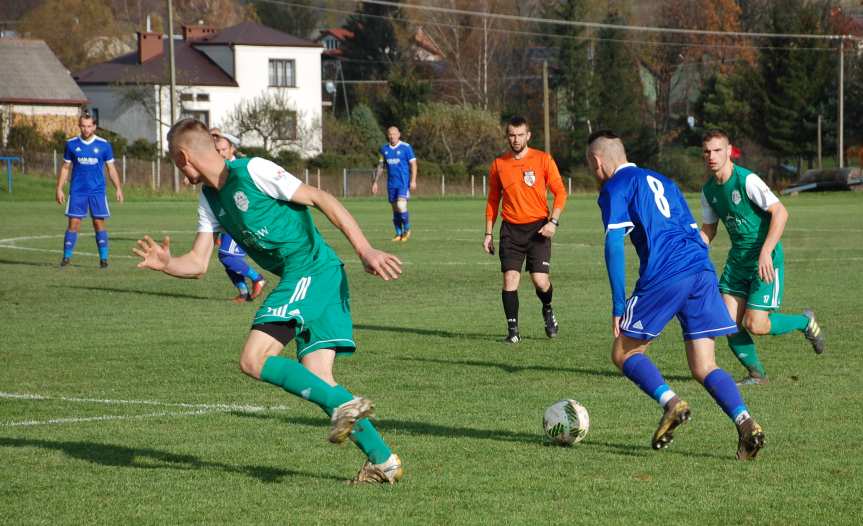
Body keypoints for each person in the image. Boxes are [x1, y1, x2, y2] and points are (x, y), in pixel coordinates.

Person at [133, 119, 404, 484]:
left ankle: (344, 406)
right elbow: (197, 263)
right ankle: (383, 460)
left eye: (173, 161)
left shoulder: (253, 170)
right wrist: (167, 264)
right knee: (318, 378)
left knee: (253, 358)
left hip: (311, 270)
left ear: (183, 156)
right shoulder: (209, 200)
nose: (176, 169)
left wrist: (365, 249)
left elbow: (320, 197)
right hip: (318, 276)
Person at [587, 130, 764, 460]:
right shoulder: (665, 181)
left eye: (590, 167)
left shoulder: (614, 186)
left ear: (598, 163)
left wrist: (617, 303)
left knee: (624, 353)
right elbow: (696, 231)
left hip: (666, 273)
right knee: (704, 365)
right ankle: (746, 423)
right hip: (700, 269)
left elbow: (613, 244)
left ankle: (671, 403)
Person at [700, 130, 825, 386]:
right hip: (738, 261)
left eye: (717, 150)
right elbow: (709, 230)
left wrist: (766, 251)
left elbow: (780, 212)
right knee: (728, 322)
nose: (712, 156)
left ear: (729, 151)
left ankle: (805, 321)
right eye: (707, 151)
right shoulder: (709, 190)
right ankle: (757, 375)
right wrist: (692, 253)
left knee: (756, 324)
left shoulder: (746, 180)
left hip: (764, 259)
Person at [482, 116, 566, 343]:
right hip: (510, 230)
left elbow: (560, 192)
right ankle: (513, 332)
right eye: (512, 135)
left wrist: (553, 222)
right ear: (507, 136)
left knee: (540, 281)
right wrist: (488, 233)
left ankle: (547, 308)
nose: (516, 139)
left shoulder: (543, 159)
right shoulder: (499, 164)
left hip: (539, 229)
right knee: (510, 279)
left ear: (528, 135)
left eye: (520, 135)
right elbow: (492, 200)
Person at [55, 111, 124, 268]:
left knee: (98, 223)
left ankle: (104, 259)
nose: (86, 129)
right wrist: (59, 188)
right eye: (83, 126)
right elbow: (65, 168)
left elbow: (111, 169)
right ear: (79, 126)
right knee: (73, 223)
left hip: (97, 191)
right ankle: (66, 258)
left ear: (94, 126)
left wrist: (118, 188)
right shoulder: (71, 144)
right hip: (78, 191)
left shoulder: (104, 145)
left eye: (89, 126)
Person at [209, 128, 267, 303]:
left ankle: (257, 278)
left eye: (223, 150)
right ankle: (243, 292)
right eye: (216, 150)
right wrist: (216, 229)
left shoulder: (240, 169)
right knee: (226, 257)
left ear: (232, 149)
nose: (219, 153)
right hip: (228, 221)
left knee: (227, 255)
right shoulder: (216, 169)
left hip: (244, 221)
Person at [372, 126, 417, 242]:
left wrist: (413, 180)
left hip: (403, 183)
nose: (392, 136)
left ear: (399, 134)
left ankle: (407, 229)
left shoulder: (406, 148)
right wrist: (375, 182)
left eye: (394, 134)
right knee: (395, 209)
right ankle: (398, 233)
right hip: (391, 184)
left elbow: (414, 165)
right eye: (390, 134)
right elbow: (381, 166)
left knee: (401, 206)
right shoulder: (384, 149)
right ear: (388, 135)